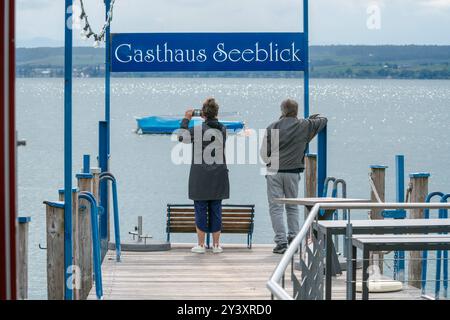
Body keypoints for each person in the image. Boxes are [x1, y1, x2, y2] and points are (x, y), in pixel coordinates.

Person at [260, 99, 327, 254]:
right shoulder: (304, 125)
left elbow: (264, 154)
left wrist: (271, 163)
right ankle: (294, 240)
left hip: (274, 172)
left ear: (282, 110)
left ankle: (281, 242)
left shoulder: (272, 127)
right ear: (296, 111)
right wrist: (312, 118)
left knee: (275, 208)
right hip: (293, 172)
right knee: (292, 207)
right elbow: (323, 120)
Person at [177, 98, 230, 254]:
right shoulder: (223, 129)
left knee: (200, 208)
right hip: (219, 174)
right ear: (216, 113)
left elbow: (181, 136)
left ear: (203, 114)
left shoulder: (199, 130)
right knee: (216, 209)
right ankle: (216, 245)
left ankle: (200, 245)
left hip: (200, 175)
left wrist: (186, 118)